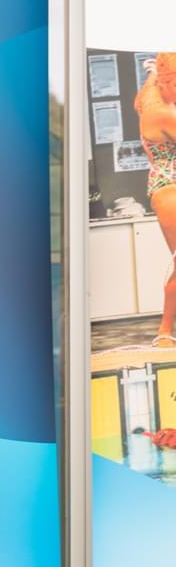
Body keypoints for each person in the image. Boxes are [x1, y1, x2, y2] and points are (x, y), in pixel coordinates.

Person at [134, 54, 176, 347]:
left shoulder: (149, 94)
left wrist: (150, 71)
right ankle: (164, 331)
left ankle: (164, 331)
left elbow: (138, 100)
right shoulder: (161, 113)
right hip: (169, 186)